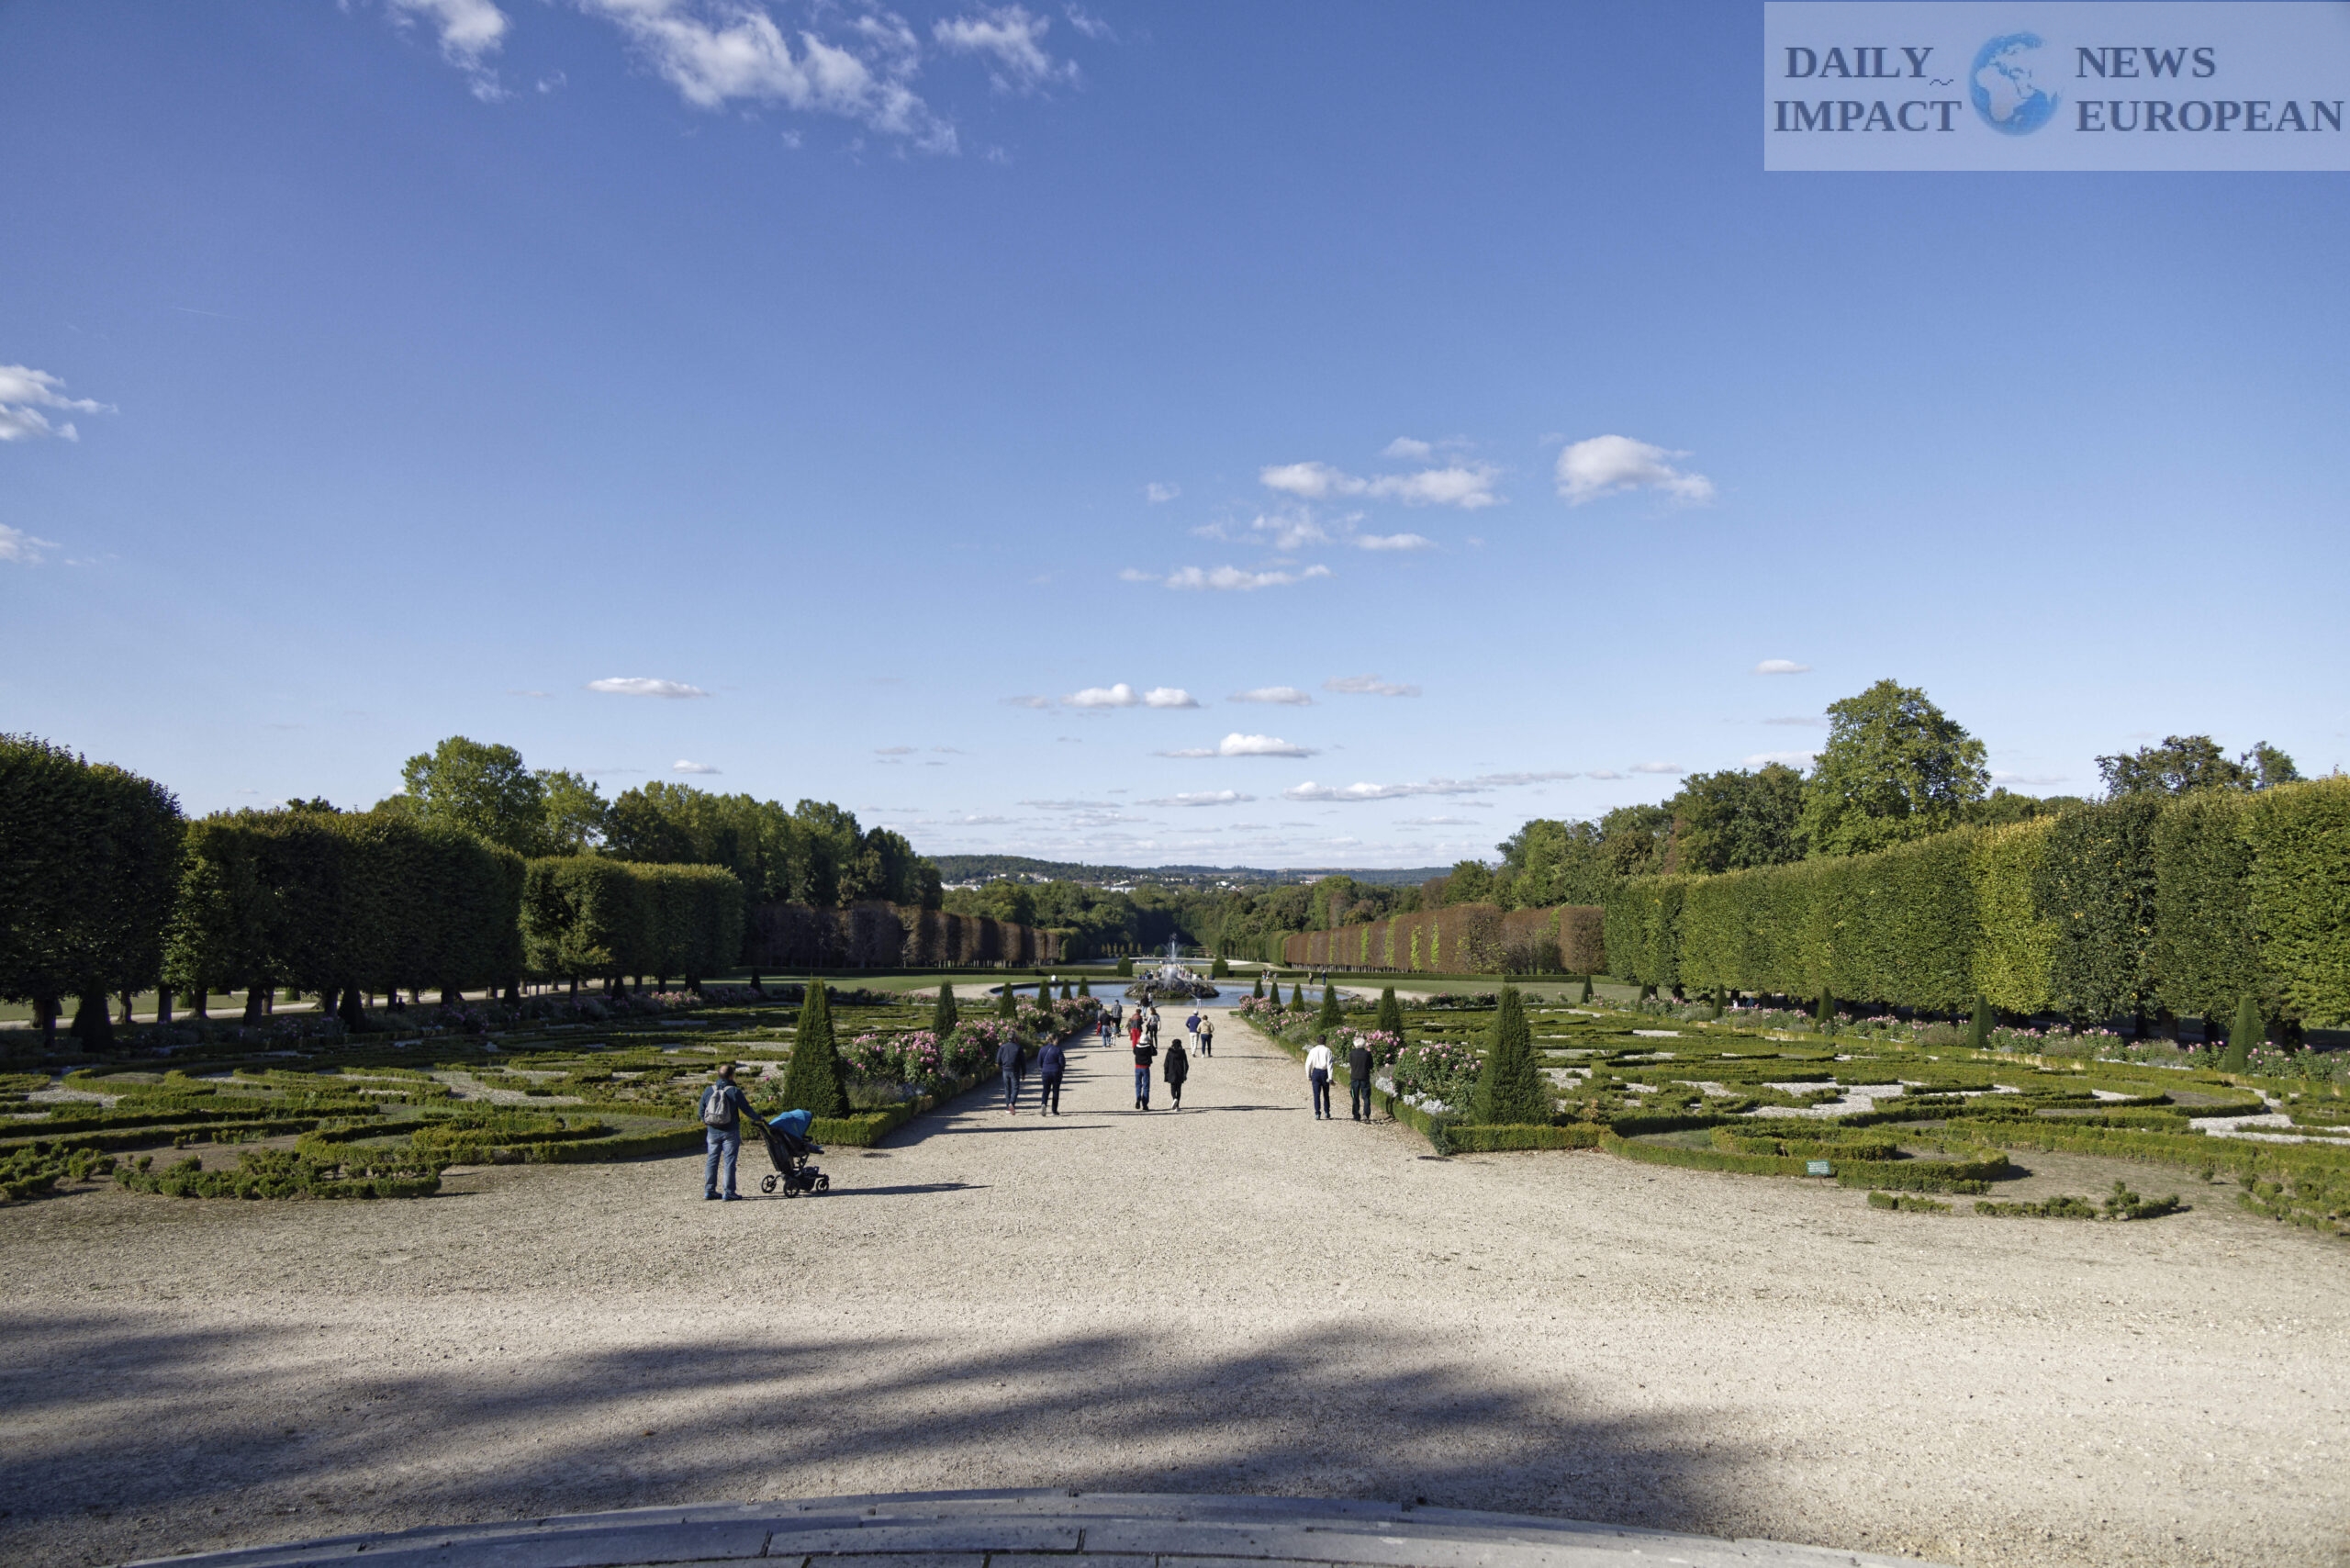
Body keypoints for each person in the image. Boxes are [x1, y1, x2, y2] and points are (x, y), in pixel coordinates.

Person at [699, 1063, 767, 1200]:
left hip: (712, 1131)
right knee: (729, 1161)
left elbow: (701, 1111)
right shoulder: (734, 1091)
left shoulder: (708, 1090)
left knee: (712, 1160)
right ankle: (728, 1192)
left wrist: (708, 1123)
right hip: (730, 1131)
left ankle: (709, 1190)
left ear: (718, 1075)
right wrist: (759, 1118)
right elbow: (747, 1109)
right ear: (731, 1076)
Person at [1304, 1037, 1334, 1120]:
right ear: (1325, 1041)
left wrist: (1308, 1075)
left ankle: (1317, 1113)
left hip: (1316, 1072)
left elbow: (1308, 1064)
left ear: (1317, 1041)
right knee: (1326, 1094)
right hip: (1325, 1073)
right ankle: (1327, 1112)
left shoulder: (1313, 1050)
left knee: (1316, 1094)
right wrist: (1331, 1077)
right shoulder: (1328, 1050)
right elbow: (1330, 1064)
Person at [1348, 1034, 1376, 1122]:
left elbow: (1351, 1064)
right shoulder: (1367, 1054)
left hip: (1355, 1077)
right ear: (1364, 1044)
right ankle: (1366, 1115)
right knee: (1366, 1097)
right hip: (1365, 1077)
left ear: (1355, 1044)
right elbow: (1371, 1066)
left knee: (1355, 1097)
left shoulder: (1352, 1053)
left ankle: (1356, 1115)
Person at [1037, 1036, 1067, 1115]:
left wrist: (1043, 1068)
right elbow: (1062, 1062)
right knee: (1055, 1091)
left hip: (1045, 1071)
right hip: (1056, 1071)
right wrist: (1062, 1069)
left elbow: (1039, 1061)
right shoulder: (1058, 1049)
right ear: (1054, 1039)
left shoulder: (1042, 1049)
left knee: (1045, 1090)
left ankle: (1043, 1104)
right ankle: (1054, 1110)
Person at [998, 1031, 1025, 1114]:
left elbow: (998, 1059)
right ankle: (1011, 1103)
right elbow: (1022, 1061)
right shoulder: (1018, 1047)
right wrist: (1023, 1072)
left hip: (1005, 1069)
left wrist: (1001, 1067)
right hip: (1014, 1070)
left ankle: (1008, 1106)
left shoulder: (1003, 1047)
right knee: (1015, 1087)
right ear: (1014, 1038)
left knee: (1007, 1088)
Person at [1132, 1030, 1158, 1110]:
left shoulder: (1136, 1047)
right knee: (1146, 1086)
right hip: (1145, 1068)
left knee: (1138, 1085)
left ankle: (1138, 1097)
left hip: (1137, 1068)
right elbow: (1155, 1053)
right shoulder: (1149, 1047)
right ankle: (1145, 1105)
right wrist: (1151, 1044)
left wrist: (1139, 1042)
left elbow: (1134, 1052)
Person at [1162, 1036, 1190, 1111]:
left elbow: (1166, 1064)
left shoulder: (1170, 1052)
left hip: (1171, 1073)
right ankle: (1177, 1105)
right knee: (1179, 1089)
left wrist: (1166, 1073)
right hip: (1180, 1073)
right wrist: (1185, 1073)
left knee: (1173, 1088)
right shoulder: (1183, 1052)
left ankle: (1174, 1099)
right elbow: (1186, 1065)